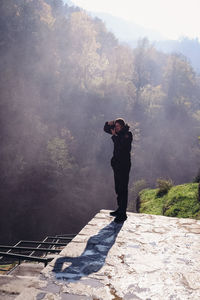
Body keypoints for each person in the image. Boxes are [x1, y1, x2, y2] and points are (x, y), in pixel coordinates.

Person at [104, 118, 132, 223]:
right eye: (115, 126)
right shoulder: (118, 133)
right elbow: (105, 129)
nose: (115, 128)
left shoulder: (127, 134)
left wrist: (115, 136)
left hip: (124, 166)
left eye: (117, 126)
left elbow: (122, 147)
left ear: (122, 126)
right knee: (118, 188)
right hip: (117, 165)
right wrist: (109, 123)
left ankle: (123, 213)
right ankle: (119, 209)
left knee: (123, 189)